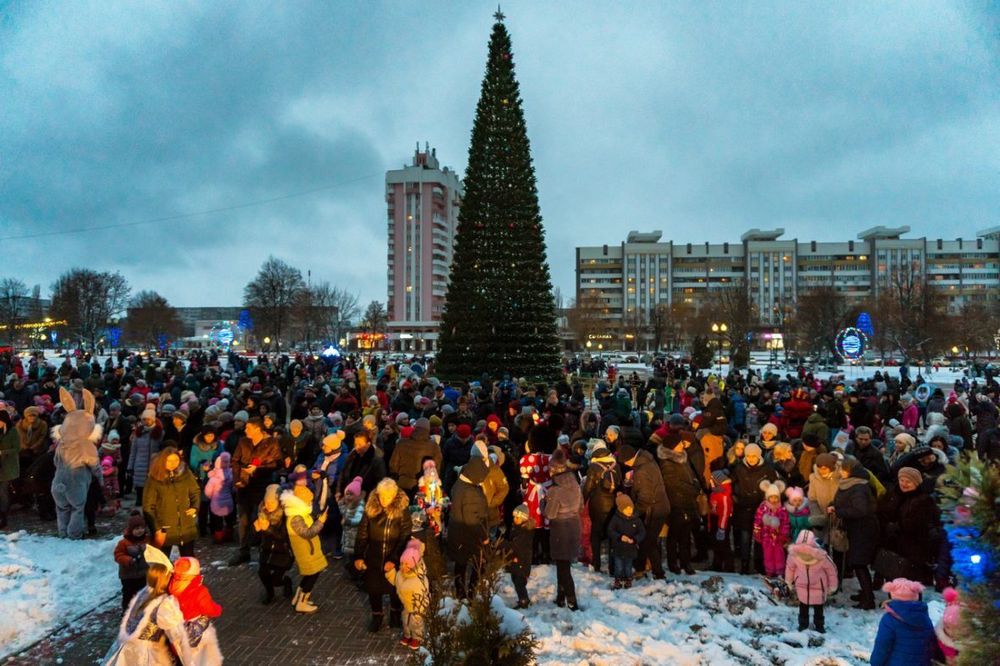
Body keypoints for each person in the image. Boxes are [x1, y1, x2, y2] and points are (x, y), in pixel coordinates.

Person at [103, 562, 193, 666]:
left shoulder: (144, 592)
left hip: (126, 647)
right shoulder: (165, 603)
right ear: (167, 579)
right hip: (145, 654)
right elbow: (177, 637)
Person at [355, 477, 412, 632]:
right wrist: (359, 555)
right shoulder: (371, 509)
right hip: (374, 555)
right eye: (381, 496)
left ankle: (394, 614)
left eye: (388, 497)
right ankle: (377, 616)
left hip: (393, 555)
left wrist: (394, 558)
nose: (384, 500)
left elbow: (405, 534)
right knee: (373, 588)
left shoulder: (401, 510)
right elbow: (362, 533)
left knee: (394, 588)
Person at [51, 387, 102, 539]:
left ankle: (62, 532)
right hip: (77, 481)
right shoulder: (86, 444)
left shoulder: (62, 443)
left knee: (61, 508)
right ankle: (74, 534)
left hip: (58, 480)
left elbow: (55, 461)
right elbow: (93, 463)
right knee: (77, 508)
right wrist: (99, 477)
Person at [229, 417, 281, 565]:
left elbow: (277, 463)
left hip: (261, 485)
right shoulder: (243, 442)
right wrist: (237, 479)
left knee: (262, 517)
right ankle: (243, 551)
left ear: (258, 429)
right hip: (244, 485)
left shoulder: (271, 443)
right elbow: (235, 460)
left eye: (248, 428)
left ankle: (264, 551)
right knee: (243, 519)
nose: (245, 431)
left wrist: (258, 468)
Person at [876, 467, 940, 584]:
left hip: (913, 550)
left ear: (916, 483)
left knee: (910, 584)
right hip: (894, 548)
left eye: (908, 481)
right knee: (894, 581)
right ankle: (894, 601)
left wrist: (896, 526)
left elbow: (918, 524)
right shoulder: (894, 495)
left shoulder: (923, 500)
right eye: (902, 480)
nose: (904, 484)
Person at [832, 458, 880, 609]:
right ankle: (866, 593)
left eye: (843, 469)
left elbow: (860, 510)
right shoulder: (850, 483)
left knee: (859, 564)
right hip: (856, 529)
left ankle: (868, 600)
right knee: (858, 563)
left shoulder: (858, 486)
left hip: (863, 530)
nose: (840, 472)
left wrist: (838, 511)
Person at [618, 444, 669, 580]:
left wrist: (634, 513)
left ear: (628, 460)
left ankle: (657, 573)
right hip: (659, 506)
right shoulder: (646, 460)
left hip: (655, 510)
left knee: (648, 541)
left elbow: (645, 497)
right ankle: (643, 568)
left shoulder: (642, 471)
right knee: (647, 541)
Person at [143, 446, 200, 557]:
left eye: (176, 460)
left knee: (188, 561)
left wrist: (195, 507)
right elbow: (148, 506)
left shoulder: (186, 474)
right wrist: (156, 528)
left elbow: (195, 491)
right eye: (169, 460)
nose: (173, 463)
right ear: (163, 460)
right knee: (162, 563)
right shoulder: (154, 478)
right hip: (164, 527)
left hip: (186, 526)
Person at [544, 448, 582, 610]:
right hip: (573, 526)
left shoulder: (555, 490)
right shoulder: (574, 483)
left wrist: (543, 503)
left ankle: (572, 601)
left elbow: (550, 514)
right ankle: (561, 596)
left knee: (563, 567)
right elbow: (580, 506)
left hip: (560, 530)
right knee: (563, 564)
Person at [447, 458, 490, 600]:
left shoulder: (460, 483)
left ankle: (460, 592)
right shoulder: (470, 491)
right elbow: (472, 519)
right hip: (469, 535)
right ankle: (471, 591)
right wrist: (484, 537)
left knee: (460, 563)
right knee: (479, 563)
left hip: (458, 532)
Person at [280, 487, 329, 613]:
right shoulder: (295, 517)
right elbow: (307, 533)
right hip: (306, 552)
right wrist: (321, 522)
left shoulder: (300, 513)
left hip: (309, 551)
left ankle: (299, 598)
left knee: (310, 574)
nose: (310, 504)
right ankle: (302, 602)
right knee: (312, 575)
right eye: (308, 502)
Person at [731, 443, 777, 574]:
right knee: (745, 537)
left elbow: (773, 487)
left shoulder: (767, 469)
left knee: (760, 538)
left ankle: (759, 563)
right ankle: (744, 564)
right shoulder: (739, 468)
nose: (751, 459)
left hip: (760, 508)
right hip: (744, 507)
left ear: (758, 456)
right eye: (748, 456)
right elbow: (732, 480)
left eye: (753, 456)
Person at [869, 578, 937, 666]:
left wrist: (875, 663)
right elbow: (931, 645)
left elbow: (882, 647)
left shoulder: (889, 620)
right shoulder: (924, 618)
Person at [169, 557, 223, 666]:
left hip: (176, 628)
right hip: (194, 629)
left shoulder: (171, 586)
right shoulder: (199, 591)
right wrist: (217, 609)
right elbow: (208, 609)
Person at [785, 530, 837, 633]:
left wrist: (789, 581)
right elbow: (832, 571)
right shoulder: (821, 556)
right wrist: (832, 586)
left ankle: (803, 625)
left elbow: (789, 568)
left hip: (801, 585)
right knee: (819, 607)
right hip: (819, 586)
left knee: (803, 606)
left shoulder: (793, 555)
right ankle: (819, 626)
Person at [581, 439, 619, 573]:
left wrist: (582, 502)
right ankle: (613, 566)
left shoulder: (594, 467)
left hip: (597, 505)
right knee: (612, 535)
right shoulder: (616, 464)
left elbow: (588, 488)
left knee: (595, 535)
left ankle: (596, 564)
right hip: (613, 505)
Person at [384, 538, 429, 651]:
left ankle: (417, 638)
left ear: (414, 565)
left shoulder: (419, 580)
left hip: (416, 607)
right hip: (406, 605)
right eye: (402, 563)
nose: (403, 567)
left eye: (407, 564)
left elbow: (423, 596)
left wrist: (420, 610)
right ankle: (408, 635)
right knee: (405, 620)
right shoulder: (401, 574)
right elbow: (396, 580)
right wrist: (390, 572)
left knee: (416, 622)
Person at [253, 484, 294, 605]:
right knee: (263, 573)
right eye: (266, 502)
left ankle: (286, 582)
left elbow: (283, 536)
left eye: (271, 502)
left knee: (276, 580)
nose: (268, 505)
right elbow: (256, 538)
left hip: (283, 552)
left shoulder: (285, 515)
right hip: (267, 550)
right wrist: (256, 529)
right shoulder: (262, 512)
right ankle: (269, 593)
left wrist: (267, 528)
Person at [607, 493, 646, 590]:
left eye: (630, 508)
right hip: (618, 548)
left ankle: (628, 578)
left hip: (630, 548)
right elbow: (610, 530)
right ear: (621, 509)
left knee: (628, 566)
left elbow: (642, 532)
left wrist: (635, 540)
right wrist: (619, 537)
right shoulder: (616, 519)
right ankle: (618, 579)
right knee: (618, 566)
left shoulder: (636, 519)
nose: (629, 511)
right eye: (626, 509)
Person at [114, 511, 150, 611]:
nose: (140, 531)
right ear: (131, 530)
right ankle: (126, 611)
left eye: (142, 528)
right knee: (128, 594)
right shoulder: (124, 543)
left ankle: (140, 610)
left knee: (142, 593)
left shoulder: (146, 540)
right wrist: (128, 560)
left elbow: (156, 547)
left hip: (143, 574)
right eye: (137, 529)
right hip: (128, 575)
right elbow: (118, 555)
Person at [753, 481, 790, 577]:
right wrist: (757, 533)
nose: (773, 500)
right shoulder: (762, 508)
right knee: (768, 555)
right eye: (771, 497)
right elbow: (757, 521)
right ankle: (769, 571)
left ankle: (779, 572)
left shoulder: (782, 509)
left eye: (776, 497)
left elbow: (786, 523)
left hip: (778, 538)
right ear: (767, 497)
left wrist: (784, 534)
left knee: (779, 555)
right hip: (766, 537)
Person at [129, 404, 163, 505]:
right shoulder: (139, 433)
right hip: (140, 462)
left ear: (153, 419)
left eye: (148, 419)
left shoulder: (159, 432)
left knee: (152, 484)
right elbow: (133, 451)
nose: (146, 421)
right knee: (139, 484)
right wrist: (130, 466)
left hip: (154, 462)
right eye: (144, 419)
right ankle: (139, 499)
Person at [505, 503, 534, 608]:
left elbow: (515, 545)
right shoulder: (516, 528)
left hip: (522, 561)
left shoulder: (525, 531)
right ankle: (522, 597)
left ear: (524, 518)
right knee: (515, 579)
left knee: (519, 582)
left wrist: (502, 544)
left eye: (517, 517)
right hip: (516, 560)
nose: (515, 519)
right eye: (514, 517)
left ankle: (524, 600)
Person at [203, 452, 236, 544]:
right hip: (228, 501)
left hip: (216, 502)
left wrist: (210, 497)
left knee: (217, 521)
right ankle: (229, 535)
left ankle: (218, 538)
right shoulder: (231, 475)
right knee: (229, 520)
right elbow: (234, 489)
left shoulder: (213, 477)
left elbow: (208, 491)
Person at [708, 469, 734, 572]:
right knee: (716, 544)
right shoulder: (715, 492)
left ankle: (728, 566)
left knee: (724, 544)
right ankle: (716, 565)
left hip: (722, 523)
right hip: (715, 520)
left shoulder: (724, 495)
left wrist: (721, 528)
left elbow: (725, 513)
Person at [0, 411, 21, 529]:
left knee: (3, 493)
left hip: (7, 467)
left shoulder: (12, 431)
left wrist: (2, 452)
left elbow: (17, 448)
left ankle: (4, 517)